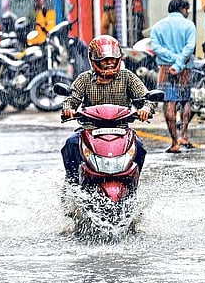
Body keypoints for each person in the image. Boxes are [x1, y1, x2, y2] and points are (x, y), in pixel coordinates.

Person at [60, 35, 155, 182]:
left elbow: (146, 98)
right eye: (105, 60)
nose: (110, 62)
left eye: (113, 59)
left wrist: (146, 109)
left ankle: (133, 181)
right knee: (70, 145)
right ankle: (72, 184)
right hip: (90, 130)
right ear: (94, 60)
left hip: (121, 131)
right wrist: (68, 109)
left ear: (119, 59)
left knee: (140, 148)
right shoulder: (84, 79)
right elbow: (71, 99)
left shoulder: (127, 77)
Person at [150, 0, 196, 153]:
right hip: (184, 69)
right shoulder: (189, 26)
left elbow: (155, 47)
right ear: (182, 9)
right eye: (187, 9)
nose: (187, 12)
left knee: (169, 103)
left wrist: (172, 60)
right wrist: (179, 62)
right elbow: (190, 48)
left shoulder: (157, 27)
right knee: (185, 101)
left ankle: (174, 142)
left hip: (165, 69)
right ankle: (183, 134)